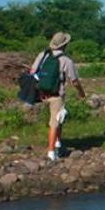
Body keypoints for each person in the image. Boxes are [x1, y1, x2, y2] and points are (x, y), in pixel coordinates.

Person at [30, 32, 86, 161]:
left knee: (60, 117)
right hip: (57, 95)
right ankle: (51, 152)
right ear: (65, 45)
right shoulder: (66, 60)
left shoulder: (43, 55)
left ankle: (58, 143)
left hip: (41, 93)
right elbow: (74, 81)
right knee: (55, 122)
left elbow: (32, 71)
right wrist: (81, 93)